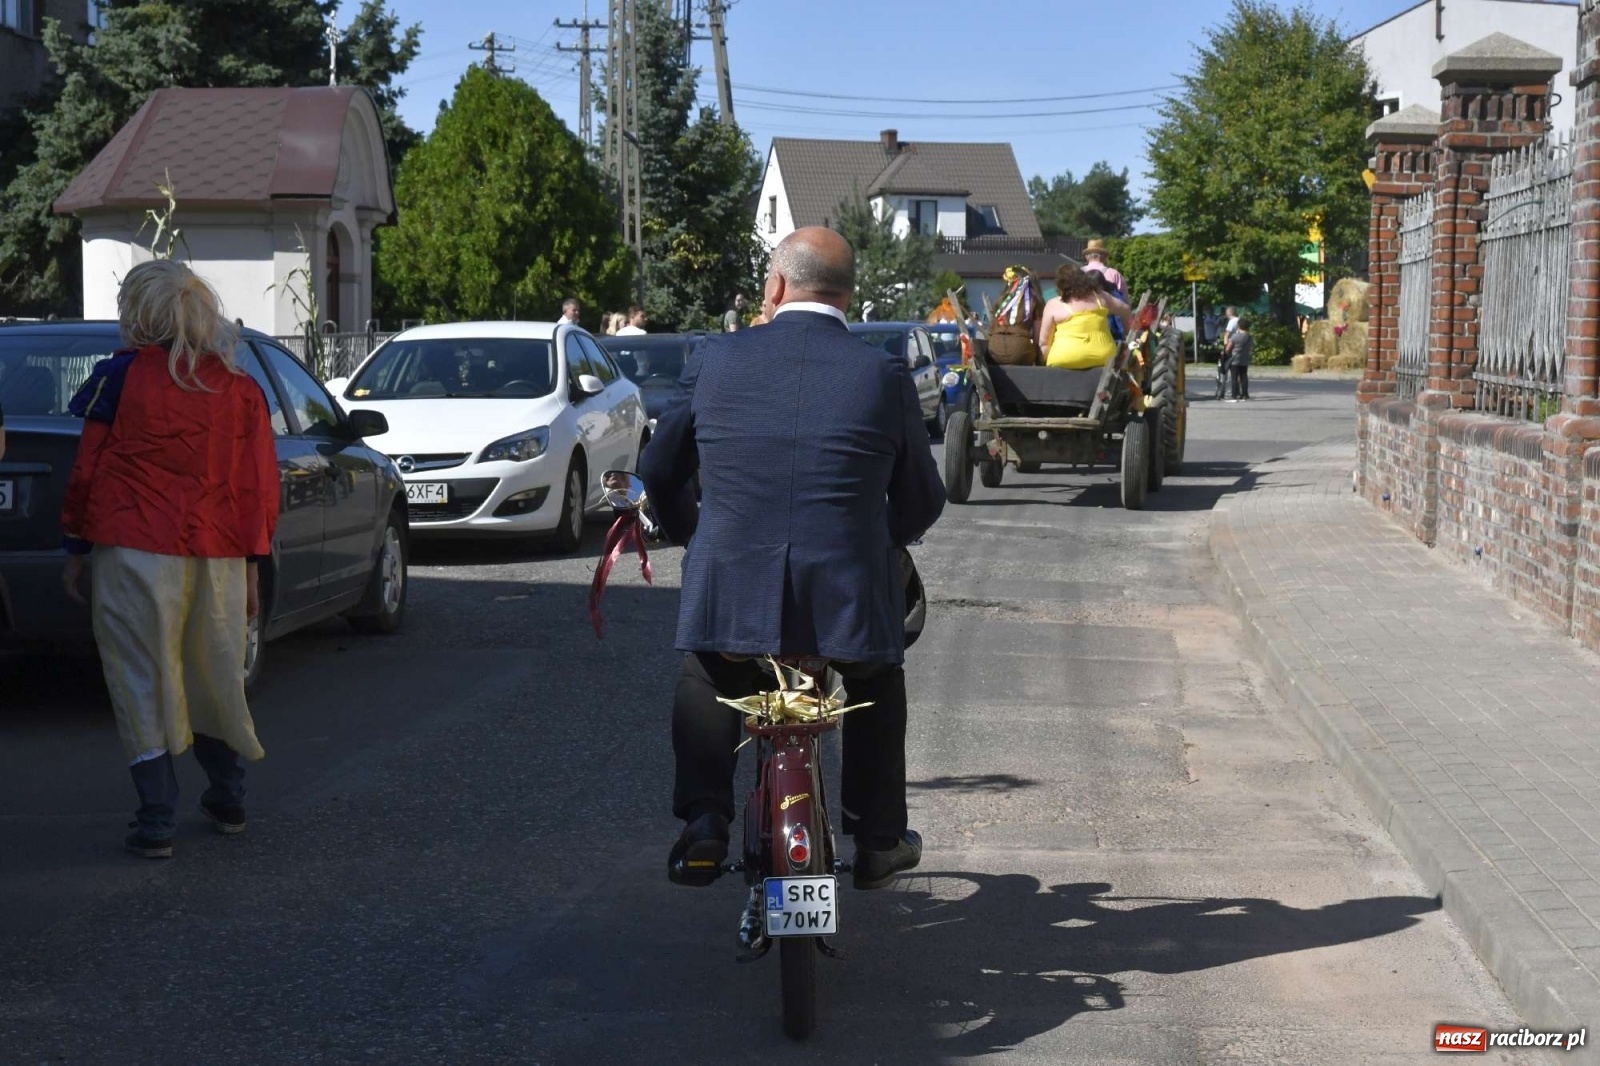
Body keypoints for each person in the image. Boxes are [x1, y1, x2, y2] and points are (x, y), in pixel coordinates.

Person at [639, 226, 945, 891]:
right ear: (849, 295)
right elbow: (924, 498)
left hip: (732, 580)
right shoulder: (883, 373)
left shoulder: (715, 360)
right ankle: (879, 839)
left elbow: (659, 468)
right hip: (849, 590)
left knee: (710, 669)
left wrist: (695, 533)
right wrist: (876, 540)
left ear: (775, 287)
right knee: (874, 682)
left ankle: (704, 821)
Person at [59, 259, 278, 859]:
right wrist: (253, 569)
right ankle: (228, 796)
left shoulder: (119, 379)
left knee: (139, 677)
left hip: (132, 548)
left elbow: (90, 471)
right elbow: (259, 488)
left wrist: (76, 549)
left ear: (139, 313)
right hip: (218, 553)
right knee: (214, 673)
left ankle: (157, 820)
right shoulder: (241, 390)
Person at [1036, 263, 1132, 370]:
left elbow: (1044, 343)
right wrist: (1127, 336)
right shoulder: (1100, 296)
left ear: (1060, 285)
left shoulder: (1054, 304)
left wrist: (1042, 366)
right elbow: (1126, 310)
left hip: (1064, 360)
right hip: (1104, 358)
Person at [1227, 318, 1253, 401]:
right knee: (1244, 376)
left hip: (1235, 359)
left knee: (1234, 377)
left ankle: (1234, 395)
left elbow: (1228, 348)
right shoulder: (1249, 337)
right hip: (1244, 359)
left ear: (1238, 326)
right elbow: (1250, 348)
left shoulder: (1235, 336)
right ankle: (1245, 394)